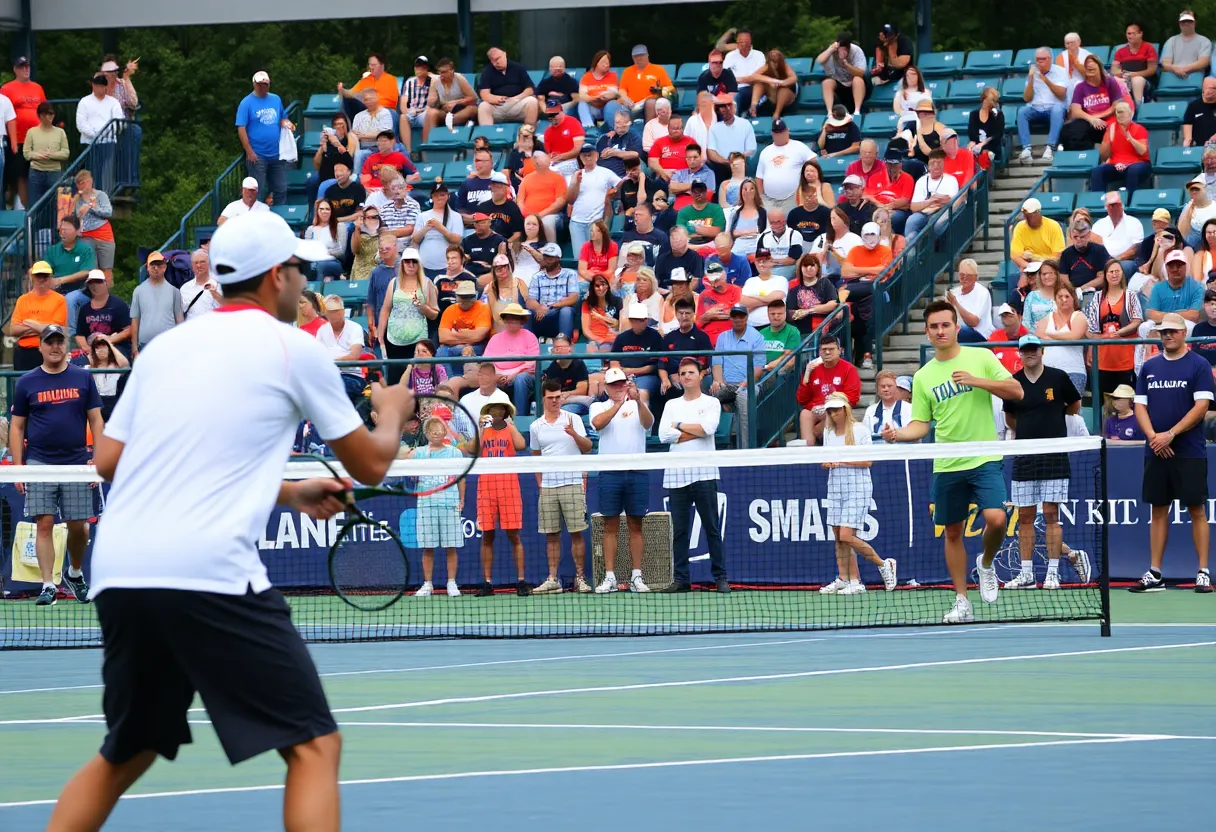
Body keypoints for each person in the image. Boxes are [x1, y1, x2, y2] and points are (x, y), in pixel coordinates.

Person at [45, 210, 415, 830]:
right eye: (299, 269)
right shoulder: (295, 347)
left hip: (120, 573)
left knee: (124, 752)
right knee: (315, 746)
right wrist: (392, 409)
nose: (305, 281)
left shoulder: (166, 350)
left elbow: (110, 461)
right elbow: (374, 464)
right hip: (208, 572)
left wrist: (289, 491)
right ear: (276, 277)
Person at [882, 300, 1025, 624]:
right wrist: (897, 434)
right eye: (934, 326)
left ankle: (986, 564)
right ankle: (962, 600)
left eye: (945, 324)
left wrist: (977, 381)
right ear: (927, 332)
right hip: (946, 464)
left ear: (956, 326)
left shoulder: (981, 357)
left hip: (984, 458)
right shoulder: (922, 377)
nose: (940, 330)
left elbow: (1015, 390)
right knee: (952, 533)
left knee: (997, 518)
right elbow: (921, 425)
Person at [9, 323, 104, 606]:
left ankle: (74, 573)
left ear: (66, 345)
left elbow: (97, 421)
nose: (55, 346)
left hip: (76, 462)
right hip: (39, 462)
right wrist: (18, 467)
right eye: (49, 342)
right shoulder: (26, 382)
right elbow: (16, 427)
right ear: (40, 346)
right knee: (45, 523)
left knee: (80, 527)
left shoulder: (83, 379)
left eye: (59, 341)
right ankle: (48, 585)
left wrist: (97, 461)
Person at [1129, 312, 1213, 594]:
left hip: (1189, 451)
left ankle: (1202, 572)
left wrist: (1170, 435)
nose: (1167, 335)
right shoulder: (1149, 367)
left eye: (1172, 331)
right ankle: (1155, 573)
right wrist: (1155, 438)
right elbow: (1140, 406)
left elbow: (1201, 407)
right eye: (1163, 331)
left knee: (1196, 509)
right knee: (1158, 509)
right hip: (1156, 451)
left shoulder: (1199, 365)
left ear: (1183, 334)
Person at [1001, 334, 1090, 591]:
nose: (1029, 354)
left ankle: (1052, 573)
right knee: (1025, 516)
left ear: (1042, 351)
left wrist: (1050, 420)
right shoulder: (1013, 382)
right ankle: (1026, 574)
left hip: (1054, 455)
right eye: (1025, 350)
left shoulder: (1058, 377)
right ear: (1020, 353)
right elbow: (1010, 419)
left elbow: (1074, 405)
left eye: (1033, 350)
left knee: (1051, 514)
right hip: (1025, 456)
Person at [658, 357, 728, 593]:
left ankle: (720, 577)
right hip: (676, 476)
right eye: (683, 373)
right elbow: (662, 436)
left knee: (712, 527)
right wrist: (691, 430)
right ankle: (681, 578)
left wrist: (677, 426)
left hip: (705, 473)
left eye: (691, 372)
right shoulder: (671, 405)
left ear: (701, 375)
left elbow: (708, 429)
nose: (686, 376)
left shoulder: (711, 403)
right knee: (679, 530)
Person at [818, 393, 897, 596]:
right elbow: (825, 460)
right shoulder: (828, 432)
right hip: (835, 487)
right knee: (838, 536)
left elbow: (867, 461)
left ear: (845, 409)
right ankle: (846, 579)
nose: (833, 414)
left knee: (846, 535)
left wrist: (841, 461)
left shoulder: (860, 430)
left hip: (858, 487)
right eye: (830, 410)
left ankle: (883, 564)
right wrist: (828, 463)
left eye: (836, 409)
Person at [590, 368, 653, 594]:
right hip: (610, 473)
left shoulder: (638, 405)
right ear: (606, 387)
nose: (619, 387)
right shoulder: (598, 406)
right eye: (614, 384)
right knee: (610, 527)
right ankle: (610, 577)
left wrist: (637, 402)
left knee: (637, 526)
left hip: (637, 472)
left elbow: (647, 424)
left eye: (621, 383)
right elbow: (598, 424)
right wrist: (618, 404)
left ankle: (637, 576)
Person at [529, 379, 593, 594]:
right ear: (544, 399)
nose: (555, 401)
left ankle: (580, 578)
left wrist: (574, 434)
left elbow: (588, 448)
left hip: (573, 483)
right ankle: (553, 578)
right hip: (548, 487)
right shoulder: (535, 426)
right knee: (552, 535)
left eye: (558, 397)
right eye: (551, 398)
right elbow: (535, 456)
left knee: (577, 533)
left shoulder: (574, 419)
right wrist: (541, 483)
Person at [474, 399, 531, 597]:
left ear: (506, 411)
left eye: (501, 409)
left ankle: (521, 581)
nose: (497, 412)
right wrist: (480, 428)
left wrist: (511, 425)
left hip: (509, 485)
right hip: (486, 486)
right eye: (493, 409)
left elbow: (522, 445)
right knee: (487, 535)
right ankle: (487, 583)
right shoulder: (484, 429)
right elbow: (474, 451)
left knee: (514, 535)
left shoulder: (509, 428)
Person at [706, 303, 765, 447]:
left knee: (744, 397)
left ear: (746, 317)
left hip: (749, 384)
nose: (738, 319)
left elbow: (759, 367)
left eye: (741, 316)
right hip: (727, 384)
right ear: (730, 318)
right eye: (734, 316)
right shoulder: (722, 337)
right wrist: (718, 381)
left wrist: (745, 383)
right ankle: (708, 445)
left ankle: (745, 449)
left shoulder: (757, 337)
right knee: (705, 397)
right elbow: (717, 363)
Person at [378, 248, 438, 384]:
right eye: (407, 262)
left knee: (417, 380)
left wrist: (423, 308)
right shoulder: (394, 283)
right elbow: (385, 309)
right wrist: (381, 335)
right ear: (402, 264)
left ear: (419, 264)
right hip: (393, 339)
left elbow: (434, 314)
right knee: (394, 379)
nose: (411, 265)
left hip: (417, 340)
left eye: (414, 262)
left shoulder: (427, 284)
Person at [1084, 260, 1143, 397]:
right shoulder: (1097, 297)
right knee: (1104, 401)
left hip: (1126, 357)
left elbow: (1137, 320)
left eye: (1117, 271)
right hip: (1103, 358)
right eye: (1111, 272)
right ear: (1105, 275)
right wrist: (1091, 348)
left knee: (1126, 398)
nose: (1114, 274)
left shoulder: (1130, 296)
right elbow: (1091, 327)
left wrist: (1120, 333)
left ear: (1122, 274)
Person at [235, 71, 292, 207]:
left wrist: (285, 122)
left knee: (281, 188)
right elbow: (241, 128)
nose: (262, 87)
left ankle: (279, 218)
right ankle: (257, 218)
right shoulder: (246, 103)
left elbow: (282, 117)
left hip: (277, 153)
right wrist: (249, 151)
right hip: (258, 154)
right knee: (256, 191)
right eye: (260, 84)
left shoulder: (275, 99)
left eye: (265, 84)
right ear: (254, 84)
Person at [795, 335, 861, 444]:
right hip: (816, 409)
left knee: (825, 422)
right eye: (824, 349)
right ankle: (807, 451)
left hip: (837, 408)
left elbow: (853, 397)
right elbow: (802, 399)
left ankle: (820, 439)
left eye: (831, 349)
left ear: (839, 351)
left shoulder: (849, 369)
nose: (827, 352)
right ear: (819, 352)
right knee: (805, 414)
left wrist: (828, 406)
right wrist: (806, 375)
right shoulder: (813, 369)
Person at [1060, 55, 1128, 152]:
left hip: (1108, 119)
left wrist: (1099, 116)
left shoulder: (1110, 82)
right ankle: (1082, 157)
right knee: (1070, 130)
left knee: (1116, 129)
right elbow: (1076, 111)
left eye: (1093, 66)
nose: (1090, 67)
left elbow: (1117, 104)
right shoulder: (1080, 87)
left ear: (1099, 67)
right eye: (1088, 67)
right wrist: (1092, 119)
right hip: (1089, 120)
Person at [484, 303, 540, 415]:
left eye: (516, 319)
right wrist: (497, 374)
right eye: (509, 319)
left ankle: (520, 417)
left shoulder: (530, 337)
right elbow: (486, 361)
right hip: (498, 375)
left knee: (521, 378)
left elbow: (531, 363)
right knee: (482, 376)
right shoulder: (495, 338)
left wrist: (512, 374)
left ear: (521, 321)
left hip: (522, 375)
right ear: (504, 320)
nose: (512, 322)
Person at [1018, 47, 1068, 163]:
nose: (1039, 62)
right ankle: (1026, 149)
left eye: (1042, 59)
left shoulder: (1060, 72)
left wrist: (1045, 80)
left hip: (1054, 109)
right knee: (1022, 111)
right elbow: (1027, 98)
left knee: (1057, 110)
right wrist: (1031, 79)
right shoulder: (1032, 73)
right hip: (1036, 108)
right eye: (1037, 59)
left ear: (1050, 59)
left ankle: (1050, 147)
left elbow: (1061, 95)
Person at [130, 252, 183, 359]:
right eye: (152, 265)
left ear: (165, 267)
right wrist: (135, 350)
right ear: (147, 267)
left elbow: (179, 321)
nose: (156, 268)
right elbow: (135, 321)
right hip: (145, 345)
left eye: (159, 265)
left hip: (168, 344)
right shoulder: (138, 291)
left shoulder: (174, 291)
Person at [1090, 101, 1150, 196]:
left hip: (1137, 163)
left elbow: (1143, 151)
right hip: (1116, 163)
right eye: (1118, 112)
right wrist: (1109, 138)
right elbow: (1104, 156)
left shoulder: (1139, 129)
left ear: (1130, 114)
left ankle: (1129, 201)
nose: (1121, 115)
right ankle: (1097, 201)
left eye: (1123, 112)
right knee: (1097, 171)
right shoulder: (1111, 129)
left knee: (1133, 170)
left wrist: (1130, 138)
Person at [610, 301, 666, 402]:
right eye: (635, 320)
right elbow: (614, 359)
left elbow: (654, 366)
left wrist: (631, 371)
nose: (638, 323)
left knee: (640, 392)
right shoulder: (622, 337)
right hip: (622, 375)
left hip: (647, 376)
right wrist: (619, 373)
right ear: (631, 320)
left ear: (646, 320)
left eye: (641, 320)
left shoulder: (655, 336)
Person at [755, 120, 814, 213]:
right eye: (777, 132)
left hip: (792, 198)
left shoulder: (798, 146)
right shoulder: (765, 151)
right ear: (772, 133)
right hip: (769, 200)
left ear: (787, 131)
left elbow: (813, 163)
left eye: (782, 131)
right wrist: (761, 197)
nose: (780, 135)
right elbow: (759, 177)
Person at [904, 149, 959, 241]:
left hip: (942, 211)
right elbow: (913, 207)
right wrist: (932, 201)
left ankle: (929, 249)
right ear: (928, 166)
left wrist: (927, 203)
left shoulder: (951, 180)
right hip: (923, 213)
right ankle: (911, 251)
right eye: (933, 163)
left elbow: (952, 201)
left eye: (939, 163)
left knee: (935, 222)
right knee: (912, 221)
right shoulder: (921, 181)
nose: (936, 166)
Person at [23, 100, 69, 209]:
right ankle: (36, 226)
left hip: (55, 172)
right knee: (35, 204)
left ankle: (54, 226)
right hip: (36, 172)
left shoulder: (60, 132)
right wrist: (37, 156)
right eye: (46, 114)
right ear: (40, 116)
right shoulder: (32, 132)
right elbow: (26, 153)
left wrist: (51, 155)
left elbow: (66, 153)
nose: (50, 117)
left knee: (56, 205)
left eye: (51, 114)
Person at [72, 169, 116, 281]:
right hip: (85, 235)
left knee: (107, 270)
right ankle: (91, 295)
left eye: (85, 182)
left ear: (91, 181)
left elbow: (108, 213)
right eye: (80, 183)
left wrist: (93, 208)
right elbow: (73, 219)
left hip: (103, 233)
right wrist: (79, 216)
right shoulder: (76, 200)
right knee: (91, 270)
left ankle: (107, 295)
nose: (83, 185)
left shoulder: (100, 195)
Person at [477, 47, 537, 127]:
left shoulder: (518, 68)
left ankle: (527, 133)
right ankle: (487, 137)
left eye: (498, 58)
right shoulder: (487, 72)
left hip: (516, 103)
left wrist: (517, 98)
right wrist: (495, 99)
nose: (496, 63)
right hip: (498, 107)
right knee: (483, 106)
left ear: (504, 54)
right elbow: (484, 94)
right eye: (493, 61)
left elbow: (530, 89)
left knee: (532, 101)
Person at [76, 269, 132, 354]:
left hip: (116, 348)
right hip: (93, 351)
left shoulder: (119, 305)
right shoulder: (84, 309)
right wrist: (87, 349)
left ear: (105, 283)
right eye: (91, 283)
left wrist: (109, 340)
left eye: (98, 282)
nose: (95, 285)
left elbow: (128, 330)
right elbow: (80, 335)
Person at [717, 28, 767, 115]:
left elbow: (758, 77)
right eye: (740, 40)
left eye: (746, 40)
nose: (743, 43)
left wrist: (739, 80)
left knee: (736, 97)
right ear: (737, 41)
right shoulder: (730, 56)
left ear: (751, 41)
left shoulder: (759, 55)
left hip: (750, 89)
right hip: (732, 89)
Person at [619, 44, 674, 122]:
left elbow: (671, 89)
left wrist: (661, 90)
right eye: (636, 56)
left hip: (651, 104)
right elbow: (622, 89)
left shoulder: (658, 69)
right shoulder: (627, 71)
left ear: (647, 55)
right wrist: (625, 98)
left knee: (651, 102)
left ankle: (649, 130)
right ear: (632, 58)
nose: (639, 58)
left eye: (642, 55)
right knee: (616, 106)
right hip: (632, 106)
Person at [787, 253, 838, 335]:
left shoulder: (824, 283)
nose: (809, 268)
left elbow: (833, 304)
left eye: (812, 265)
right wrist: (797, 314)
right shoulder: (794, 286)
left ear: (818, 268)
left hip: (823, 328)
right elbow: (790, 312)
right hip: (801, 330)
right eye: (805, 265)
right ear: (800, 268)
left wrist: (808, 311)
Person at [695, 257, 743, 344]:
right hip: (708, 339)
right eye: (711, 280)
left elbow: (736, 314)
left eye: (716, 280)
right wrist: (707, 316)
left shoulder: (736, 290)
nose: (714, 284)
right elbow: (698, 323)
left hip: (729, 338)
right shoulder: (704, 294)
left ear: (724, 275)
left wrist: (711, 315)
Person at [542, 334, 593, 415]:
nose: (560, 350)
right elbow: (550, 390)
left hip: (576, 401)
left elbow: (582, 390)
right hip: (558, 401)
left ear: (570, 347)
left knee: (564, 412)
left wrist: (567, 394)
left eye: (563, 347)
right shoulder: (552, 367)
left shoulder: (578, 364)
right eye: (557, 348)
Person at [945, 259, 994, 344]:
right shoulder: (955, 292)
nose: (965, 279)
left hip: (981, 334)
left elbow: (974, 322)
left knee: (958, 330)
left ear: (976, 277)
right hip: (959, 330)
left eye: (969, 276)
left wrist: (956, 303)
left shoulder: (982, 292)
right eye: (962, 275)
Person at [817, 34, 868, 115]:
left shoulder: (856, 50)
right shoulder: (833, 50)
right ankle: (829, 112)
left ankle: (857, 111)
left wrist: (846, 65)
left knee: (857, 79)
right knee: (826, 83)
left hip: (855, 84)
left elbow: (861, 73)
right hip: (840, 83)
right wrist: (830, 49)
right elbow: (819, 60)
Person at [1010, 198, 1065, 271]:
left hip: (1050, 268)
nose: (1025, 219)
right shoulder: (1020, 227)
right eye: (1025, 216)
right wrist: (1029, 267)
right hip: (1029, 269)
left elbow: (1058, 255)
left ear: (1037, 213)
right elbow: (1015, 256)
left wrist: (1038, 262)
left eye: (1028, 216)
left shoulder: (1053, 226)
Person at [1113, 23, 1158, 105]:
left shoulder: (1149, 48)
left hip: (1146, 81)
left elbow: (1152, 70)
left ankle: (1138, 106)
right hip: (1125, 79)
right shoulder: (1120, 51)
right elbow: (1114, 70)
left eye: (1133, 33)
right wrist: (1122, 75)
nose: (1130, 36)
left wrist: (1133, 74)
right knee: (1116, 81)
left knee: (1137, 80)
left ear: (1140, 34)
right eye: (1128, 33)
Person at [1161, 10, 1212, 80]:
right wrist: (1175, 69)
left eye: (1189, 20)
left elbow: (1203, 62)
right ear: (1179, 23)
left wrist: (1183, 69)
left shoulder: (1204, 41)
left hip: (1196, 78)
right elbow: (1165, 63)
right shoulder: (1171, 41)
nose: (1186, 23)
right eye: (1183, 21)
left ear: (1195, 22)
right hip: (1172, 78)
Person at [864, 370, 913, 441]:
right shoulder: (870, 411)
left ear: (896, 388)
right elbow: (866, 437)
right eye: (882, 386)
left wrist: (894, 434)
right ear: (877, 390)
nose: (886, 389)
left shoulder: (909, 408)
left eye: (889, 386)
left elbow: (914, 434)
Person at [968, 86, 1005, 171]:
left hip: (992, 147)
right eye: (986, 100)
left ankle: (986, 179)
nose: (987, 104)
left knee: (986, 154)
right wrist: (973, 144)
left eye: (990, 102)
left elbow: (997, 134)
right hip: (977, 147)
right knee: (968, 152)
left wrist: (983, 144)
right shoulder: (974, 114)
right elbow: (972, 134)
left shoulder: (998, 115)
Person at [180, 250, 222, 322]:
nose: (198, 265)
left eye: (202, 262)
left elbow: (228, 308)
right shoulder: (185, 288)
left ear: (209, 264)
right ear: (192, 266)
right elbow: (180, 313)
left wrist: (215, 294)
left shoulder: (219, 285)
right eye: (195, 263)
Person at [987, 303, 1029, 374]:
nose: (1006, 319)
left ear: (1019, 316)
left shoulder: (1028, 337)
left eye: (1010, 315)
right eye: (1003, 316)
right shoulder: (994, 337)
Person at [1183, 77, 1216, 147]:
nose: (1208, 91)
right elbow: (1188, 137)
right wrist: (1186, 146)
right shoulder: (1193, 106)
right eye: (1206, 88)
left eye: (1212, 88)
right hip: (1200, 148)